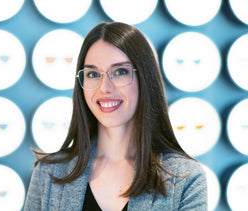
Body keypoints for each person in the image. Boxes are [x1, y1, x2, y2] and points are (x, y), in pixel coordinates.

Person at [24, 22, 207, 211]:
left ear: (146, 78)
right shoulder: (48, 174)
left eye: (120, 72)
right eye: (93, 74)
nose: (105, 87)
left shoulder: (186, 178)